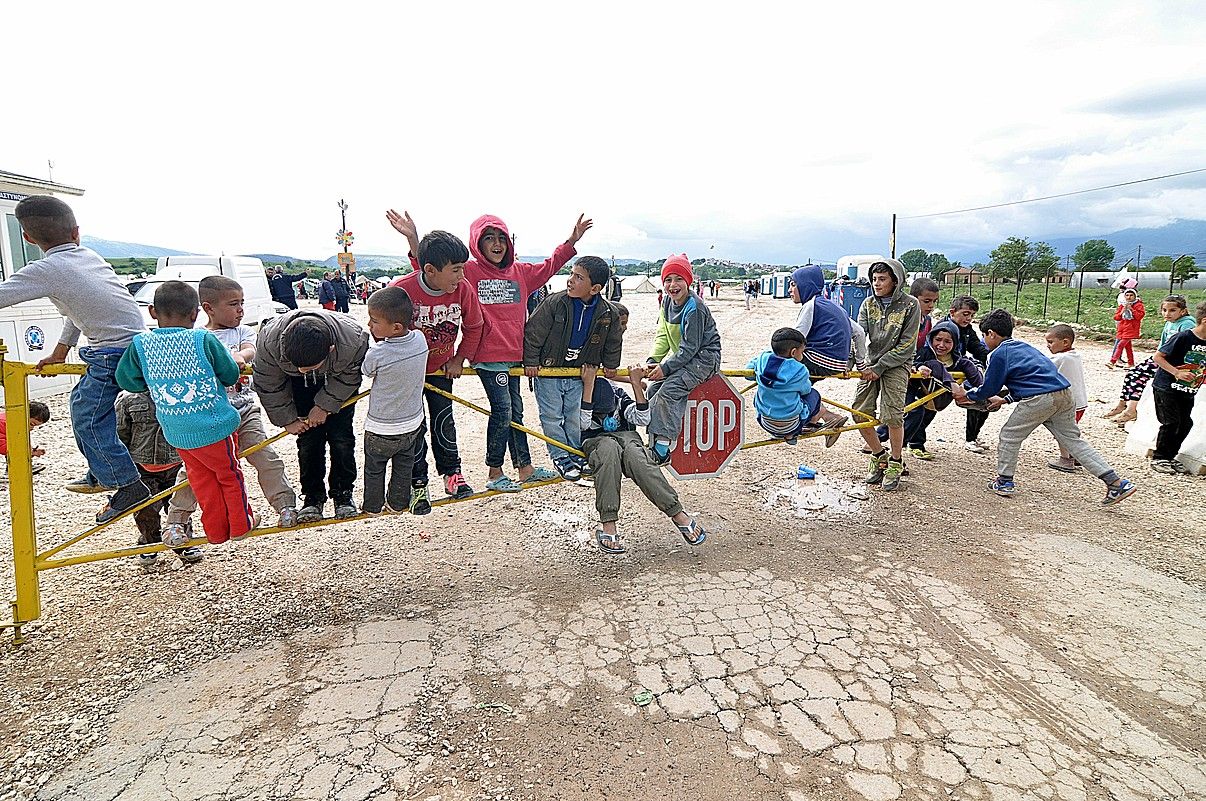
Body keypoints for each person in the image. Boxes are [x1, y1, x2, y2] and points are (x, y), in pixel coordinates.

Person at [0, 196, 150, 518]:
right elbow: (78, 309)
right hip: (128, 345)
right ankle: (101, 471)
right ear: (76, 232)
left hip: (112, 352)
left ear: (27, 238)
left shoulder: (46, 269)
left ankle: (128, 485)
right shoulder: (89, 257)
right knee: (81, 406)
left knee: (89, 416)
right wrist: (60, 351)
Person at [457, 212, 593, 492]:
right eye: (489, 239)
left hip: (514, 357)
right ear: (476, 243)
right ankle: (495, 473)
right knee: (503, 410)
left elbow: (550, 266)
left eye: (501, 239)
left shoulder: (519, 272)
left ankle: (525, 468)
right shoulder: (469, 272)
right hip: (488, 357)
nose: (497, 244)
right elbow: (434, 269)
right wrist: (412, 239)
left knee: (515, 413)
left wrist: (572, 241)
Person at [115, 281, 255, 545]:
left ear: (152, 312)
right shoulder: (203, 339)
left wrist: (154, 381)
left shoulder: (141, 344)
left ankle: (216, 532)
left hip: (176, 431)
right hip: (213, 426)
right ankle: (240, 524)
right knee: (228, 474)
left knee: (201, 480)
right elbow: (229, 374)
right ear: (196, 314)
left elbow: (126, 380)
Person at [162, 276, 299, 541]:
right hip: (208, 416)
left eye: (242, 303)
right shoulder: (195, 338)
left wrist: (239, 357)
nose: (240, 310)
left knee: (265, 456)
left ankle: (285, 505)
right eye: (233, 304)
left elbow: (250, 349)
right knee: (195, 470)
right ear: (208, 308)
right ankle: (176, 521)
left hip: (244, 410)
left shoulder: (242, 332)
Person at [951, 309, 1137, 504]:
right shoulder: (1025, 347)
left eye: (984, 335)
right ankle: (1115, 482)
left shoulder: (997, 354)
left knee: (1009, 436)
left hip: (1040, 399)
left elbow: (989, 387)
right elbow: (1034, 378)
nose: (984, 340)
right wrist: (1006, 399)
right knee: (1073, 441)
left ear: (991, 334)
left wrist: (968, 394)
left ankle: (1004, 481)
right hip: (1064, 394)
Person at [386, 220, 483, 502]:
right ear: (430, 270)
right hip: (409, 374)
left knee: (444, 420)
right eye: (456, 270)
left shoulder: (463, 289)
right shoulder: (401, 290)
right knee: (414, 426)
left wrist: (459, 358)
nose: (462, 275)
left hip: (442, 369)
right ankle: (417, 482)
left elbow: (474, 326)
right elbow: (382, 329)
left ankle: (452, 474)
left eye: (462, 268)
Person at [253, 308, 369, 522]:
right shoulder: (270, 341)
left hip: (337, 379)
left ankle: (343, 494)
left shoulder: (353, 340)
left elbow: (350, 376)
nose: (303, 369)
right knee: (308, 441)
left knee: (341, 438)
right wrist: (287, 419)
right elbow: (267, 383)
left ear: (331, 349)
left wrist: (324, 406)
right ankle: (312, 498)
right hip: (297, 384)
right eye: (299, 366)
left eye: (308, 367)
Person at [580, 363, 706, 554]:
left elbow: (642, 418)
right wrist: (588, 386)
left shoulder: (616, 395)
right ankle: (609, 524)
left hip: (626, 437)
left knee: (638, 457)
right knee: (608, 451)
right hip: (597, 440)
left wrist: (636, 384)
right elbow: (582, 424)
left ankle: (677, 513)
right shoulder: (580, 391)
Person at [523, 256, 624, 481]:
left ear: (595, 288)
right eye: (571, 274)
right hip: (549, 371)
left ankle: (575, 454)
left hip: (577, 372)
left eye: (578, 277)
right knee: (551, 417)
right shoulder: (555, 303)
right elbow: (534, 332)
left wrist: (610, 366)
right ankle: (560, 456)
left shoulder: (607, 312)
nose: (570, 281)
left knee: (572, 416)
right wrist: (530, 362)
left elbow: (613, 340)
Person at [645, 255, 722, 465]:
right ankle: (653, 439)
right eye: (668, 280)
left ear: (688, 281)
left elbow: (691, 347)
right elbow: (663, 333)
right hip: (685, 358)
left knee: (669, 391)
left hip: (704, 359)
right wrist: (654, 359)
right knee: (652, 391)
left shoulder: (694, 308)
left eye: (678, 279)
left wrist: (666, 368)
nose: (673, 285)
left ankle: (663, 449)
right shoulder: (667, 301)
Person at [114, 391, 204, 566]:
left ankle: (183, 543)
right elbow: (120, 433)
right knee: (146, 510)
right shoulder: (128, 399)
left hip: (175, 462)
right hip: (142, 466)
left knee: (178, 505)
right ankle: (149, 543)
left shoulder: (178, 395)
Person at [360, 287, 430, 513]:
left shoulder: (378, 353)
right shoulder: (420, 340)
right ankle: (398, 504)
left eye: (374, 321)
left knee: (374, 468)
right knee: (403, 465)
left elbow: (367, 371)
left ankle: (372, 506)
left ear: (396, 327)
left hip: (380, 426)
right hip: (412, 423)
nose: (370, 326)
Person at [853, 259, 921, 491]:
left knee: (892, 415)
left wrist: (880, 367)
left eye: (882, 279)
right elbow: (859, 335)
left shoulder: (911, 306)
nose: (876, 283)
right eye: (874, 279)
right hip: (871, 362)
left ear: (896, 280)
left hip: (897, 364)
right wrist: (857, 363)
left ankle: (895, 460)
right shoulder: (867, 304)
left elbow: (907, 344)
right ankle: (878, 455)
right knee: (859, 412)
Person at [875, 320, 985, 461]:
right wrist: (920, 367)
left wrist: (983, 386)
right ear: (931, 339)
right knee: (908, 415)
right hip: (913, 390)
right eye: (938, 340)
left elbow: (970, 367)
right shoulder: (926, 353)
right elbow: (914, 362)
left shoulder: (958, 359)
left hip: (934, 397)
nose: (941, 345)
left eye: (947, 341)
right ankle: (886, 442)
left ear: (955, 343)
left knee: (923, 419)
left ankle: (986, 395)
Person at [747, 328, 847, 447]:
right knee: (814, 395)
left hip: (765, 422)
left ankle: (819, 419)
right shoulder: (800, 370)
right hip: (791, 425)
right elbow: (806, 390)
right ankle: (808, 424)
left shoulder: (763, 358)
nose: (803, 355)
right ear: (793, 352)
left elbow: (748, 373)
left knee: (762, 394)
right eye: (802, 352)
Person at [1105, 295, 1195, 424]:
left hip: (1174, 362)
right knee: (1131, 373)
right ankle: (1122, 404)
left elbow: (1186, 347)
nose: (1167, 313)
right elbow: (1163, 343)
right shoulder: (1170, 323)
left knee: (1139, 376)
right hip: (1163, 357)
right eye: (1164, 310)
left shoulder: (1187, 324)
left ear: (1183, 311)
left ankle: (1131, 410)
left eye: (1172, 310)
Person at [1149, 300, 1206, 474]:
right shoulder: (1184, 337)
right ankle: (1160, 458)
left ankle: (1170, 456)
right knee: (1171, 422)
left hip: (1187, 390)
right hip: (1166, 386)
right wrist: (1176, 372)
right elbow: (1158, 357)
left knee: (1185, 423)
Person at [790, 265, 868, 378]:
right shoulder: (834, 306)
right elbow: (859, 332)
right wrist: (859, 365)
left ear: (805, 285)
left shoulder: (811, 305)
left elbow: (795, 338)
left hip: (818, 362)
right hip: (838, 364)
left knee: (780, 362)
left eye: (793, 284)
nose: (789, 290)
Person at [947, 296, 993, 453]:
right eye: (966, 314)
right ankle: (970, 439)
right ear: (953, 312)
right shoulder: (946, 328)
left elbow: (976, 348)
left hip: (962, 368)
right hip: (947, 371)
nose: (969, 318)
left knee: (983, 399)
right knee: (976, 397)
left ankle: (974, 436)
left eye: (972, 315)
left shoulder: (966, 329)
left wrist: (992, 359)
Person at [1045, 324, 1088, 473]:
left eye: (1051, 342)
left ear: (1065, 342)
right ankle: (1074, 454)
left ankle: (1066, 459)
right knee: (1070, 430)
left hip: (1069, 403)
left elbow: (1043, 370)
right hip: (1080, 402)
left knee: (1062, 431)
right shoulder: (1074, 355)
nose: (1048, 346)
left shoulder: (1060, 358)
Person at [0, 402, 50, 477]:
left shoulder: (14, 420)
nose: (32, 428)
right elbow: (5, 447)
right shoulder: (5, 424)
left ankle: (15, 468)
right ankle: (15, 469)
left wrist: (31, 450)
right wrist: (27, 451)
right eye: (32, 424)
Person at [1109, 288, 1145, 368]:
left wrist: (1131, 309)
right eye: (1127, 295)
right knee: (1128, 347)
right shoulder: (1122, 305)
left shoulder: (1138, 305)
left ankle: (1112, 361)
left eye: (1131, 295)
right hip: (1122, 329)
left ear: (1135, 296)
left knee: (1120, 345)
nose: (1129, 297)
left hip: (1131, 329)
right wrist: (1122, 311)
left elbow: (1139, 316)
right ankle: (1131, 363)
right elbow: (1116, 317)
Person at [910, 277, 941, 350]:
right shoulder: (902, 321)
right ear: (913, 299)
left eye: (934, 301)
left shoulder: (927, 320)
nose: (931, 306)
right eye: (926, 301)